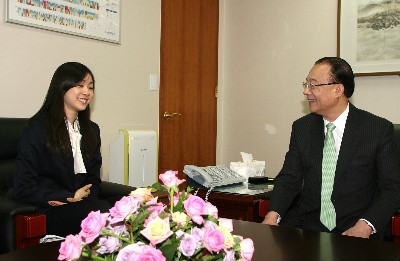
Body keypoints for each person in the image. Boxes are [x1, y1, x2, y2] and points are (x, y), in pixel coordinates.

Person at [262, 57, 400, 240]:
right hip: (308, 228)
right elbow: (289, 178)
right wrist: (273, 215)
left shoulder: (377, 129)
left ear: (338, 89)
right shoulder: (302, 128)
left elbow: (393, 188)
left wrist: (365, 225)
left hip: (356, 230)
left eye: (313, 85)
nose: (306, 91)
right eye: (306, 84)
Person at [14, 62, 111, 237]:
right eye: (79, 85)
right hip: (51, 210)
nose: (86, 92)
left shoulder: (92, 130)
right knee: (103, 212)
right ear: (61, 87)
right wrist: (67, 196)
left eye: (90, 87)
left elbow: (94, 179)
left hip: (84, 206)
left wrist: (88, 199)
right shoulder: (38, 128)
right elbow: (23, 187)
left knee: (130, 205)